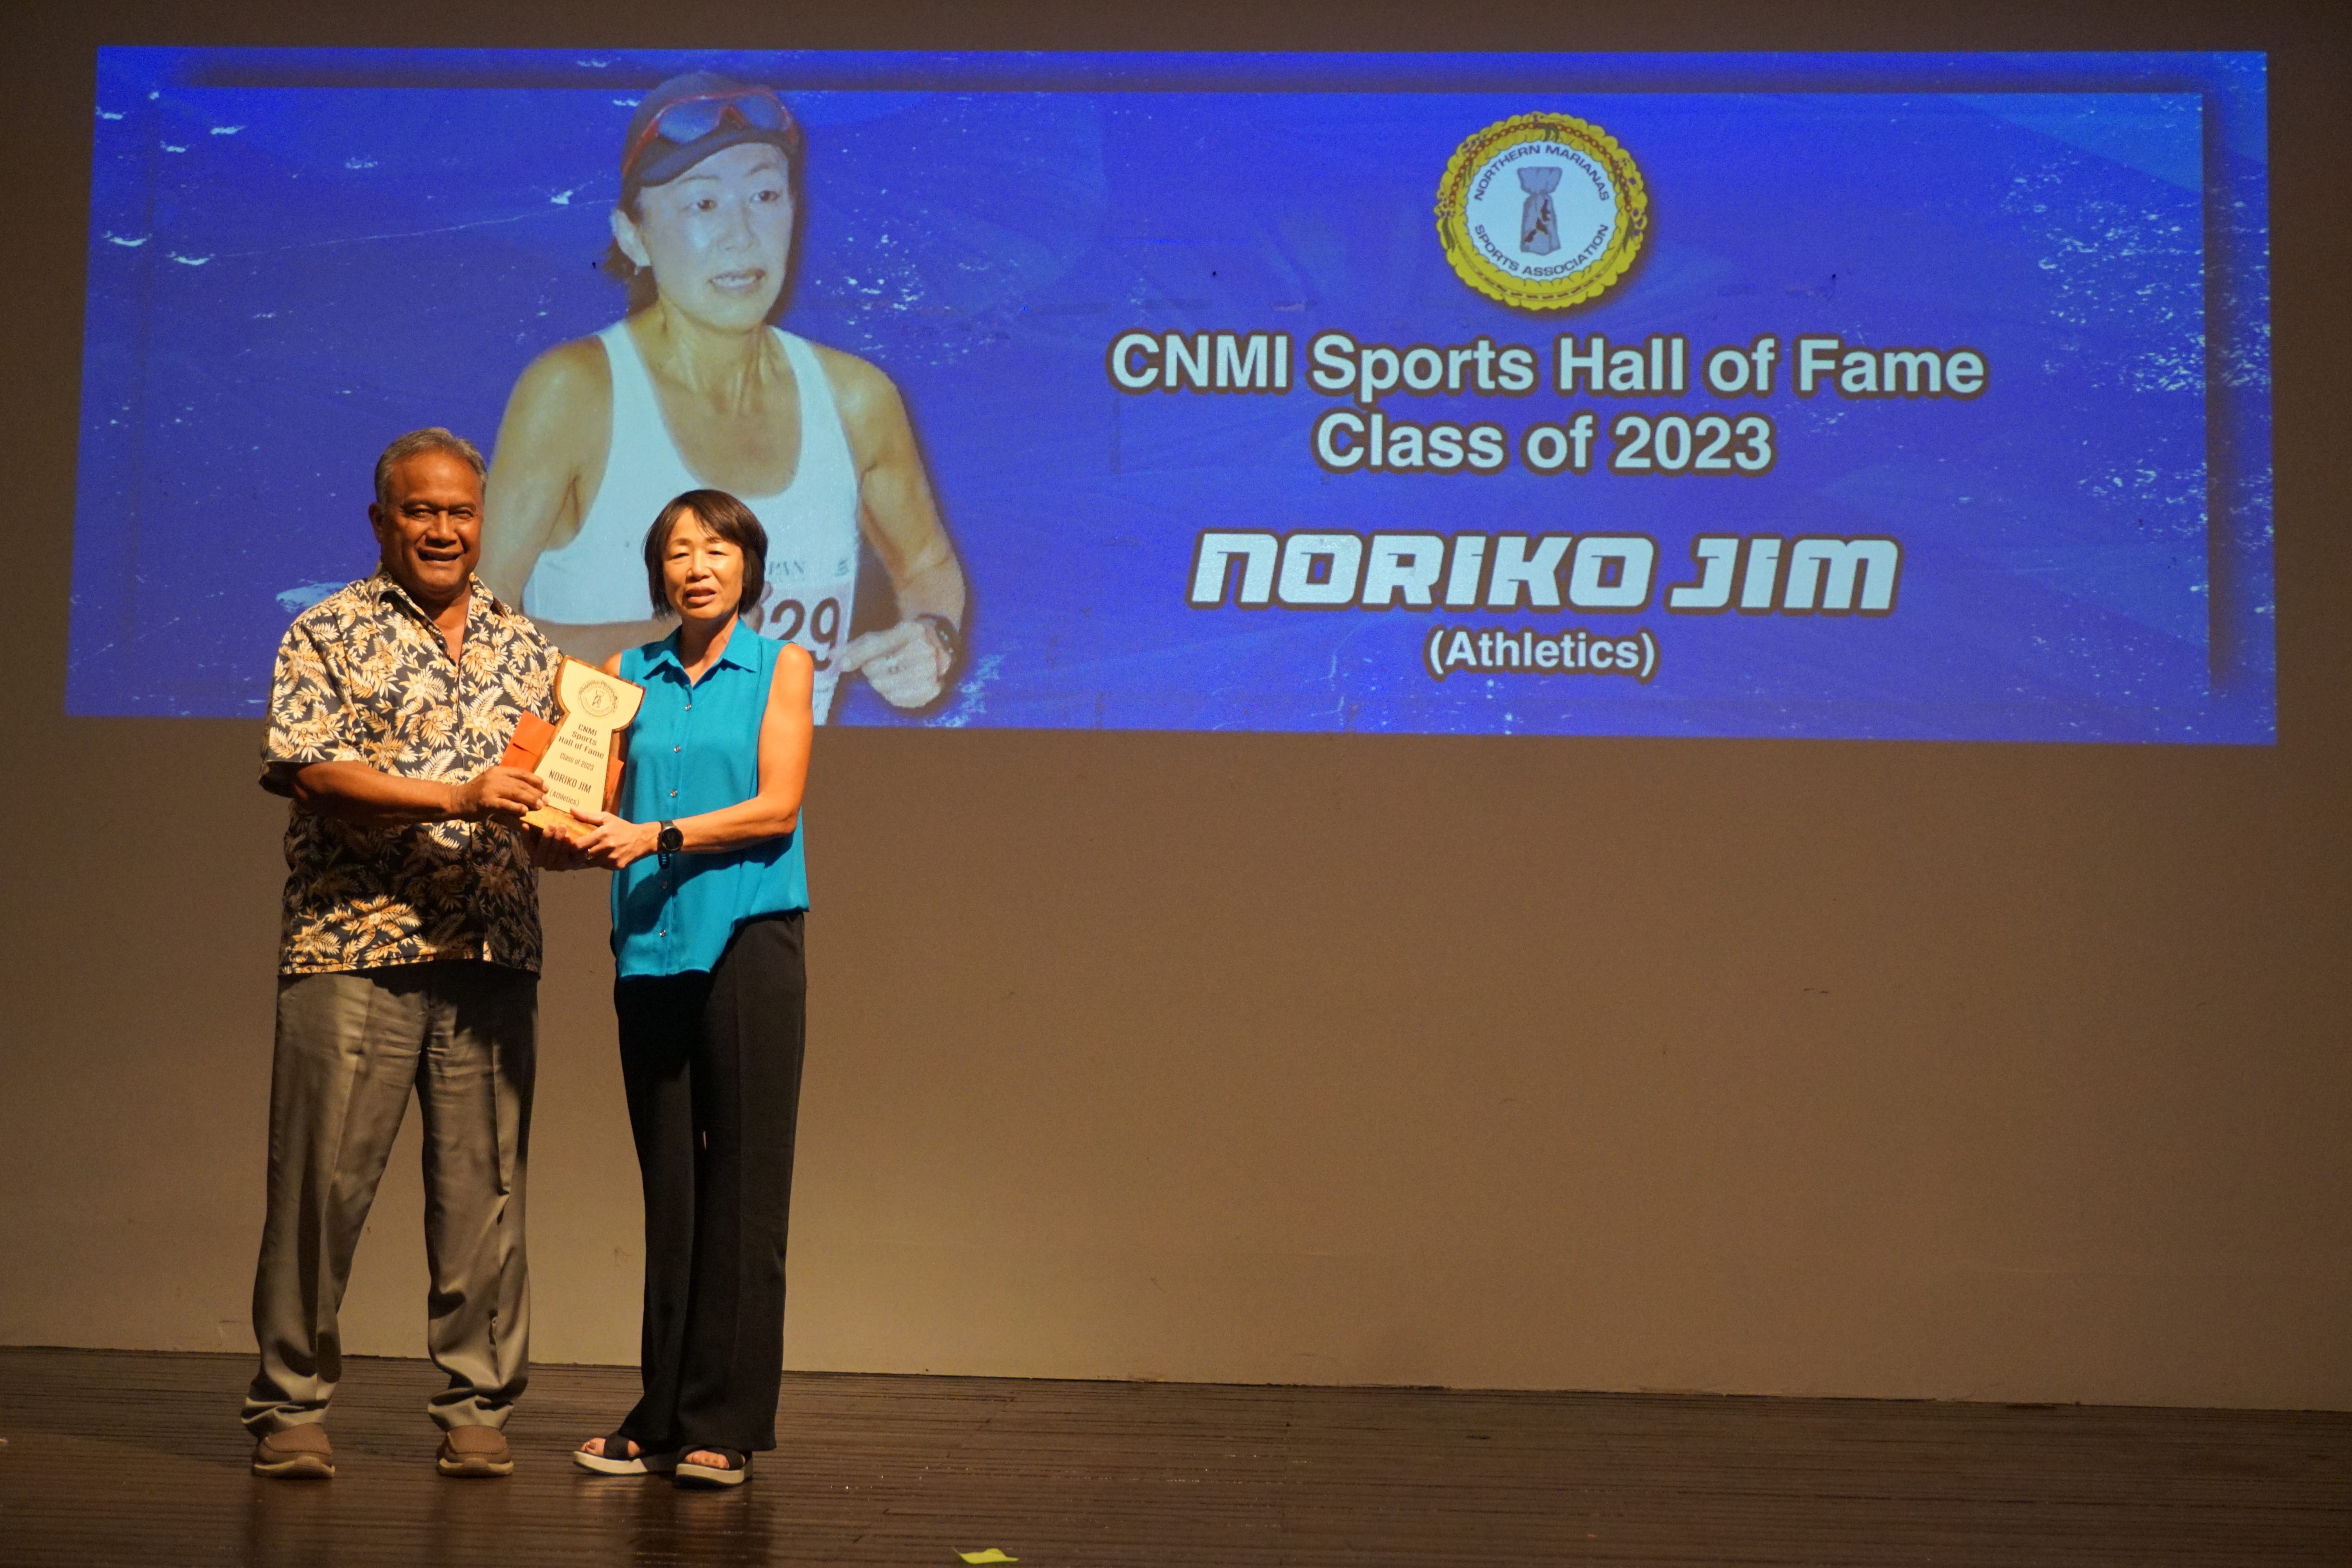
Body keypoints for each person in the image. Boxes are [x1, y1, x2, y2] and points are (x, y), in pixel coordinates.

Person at [243, 427, 583, 1480]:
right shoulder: (327, 631)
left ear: (483, 521)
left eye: (460, 513)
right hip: (355, 948)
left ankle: (476, 1405)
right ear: (382, 519)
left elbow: (541, 806)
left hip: (490, 951)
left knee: (482, 1199)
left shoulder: (529, 646)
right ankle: (291, 1406)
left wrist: (572, 835)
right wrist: (459, 795)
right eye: (420, 511)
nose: (443, 529)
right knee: (321, 1191)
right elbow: (311, 772)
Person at [479, 71, 966, 722]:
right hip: (597, 813)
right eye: (703, 205)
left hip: (779, 812)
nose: (742, 235)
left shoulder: (856, 399)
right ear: (633, 236)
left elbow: (928, 565)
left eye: (765, 195)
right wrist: (682, 645)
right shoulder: (576, 393)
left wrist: (931, 636)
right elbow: (468, 636)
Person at [561, 488, 815, 1488]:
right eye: (677, 551)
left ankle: (728, 1419)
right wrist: (560, 819)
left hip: (749, 938)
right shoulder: (623, 676)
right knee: (670, 1191)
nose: (696, 565)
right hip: (651, 944)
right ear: (658, 571)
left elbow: (777, 804)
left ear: (750, 565)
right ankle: (659, 1411)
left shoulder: (780, 665)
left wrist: (658, 836)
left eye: (716, 548)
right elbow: (592, 800)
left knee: (746, 1190)